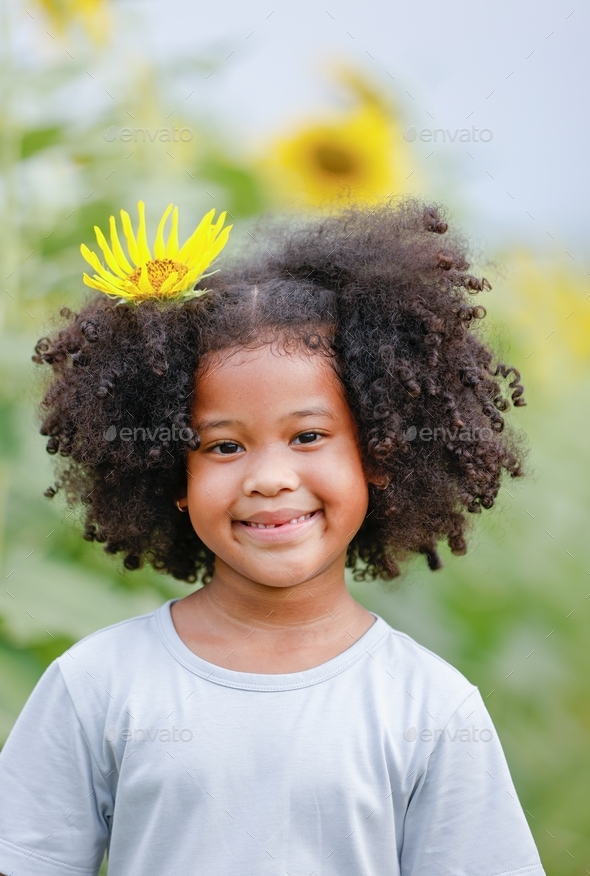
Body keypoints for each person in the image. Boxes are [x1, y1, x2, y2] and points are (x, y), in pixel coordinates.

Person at [0, 197, 546, 875]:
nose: (269, 478)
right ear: (170, 469)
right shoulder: (96, 686)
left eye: (308, 436)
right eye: (224, 447)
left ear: (378, 450)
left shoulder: (430, 707)